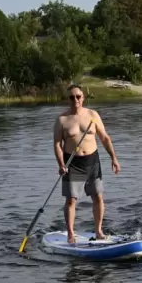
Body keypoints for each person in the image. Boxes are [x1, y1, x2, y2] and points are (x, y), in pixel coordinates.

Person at [54, 84, 120, 242]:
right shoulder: (62, 119)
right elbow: (57, 144)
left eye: (78, 96)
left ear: (83, 98)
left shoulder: (92, 115)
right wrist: (61, 164)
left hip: (92, 160)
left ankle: (98, 231)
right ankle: (70, 234)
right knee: (71, 200)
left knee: (97, 197)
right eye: (72, 97)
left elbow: (104, 138)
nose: (75, 99)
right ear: (68, 99)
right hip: (73, 162)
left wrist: (114, 158)